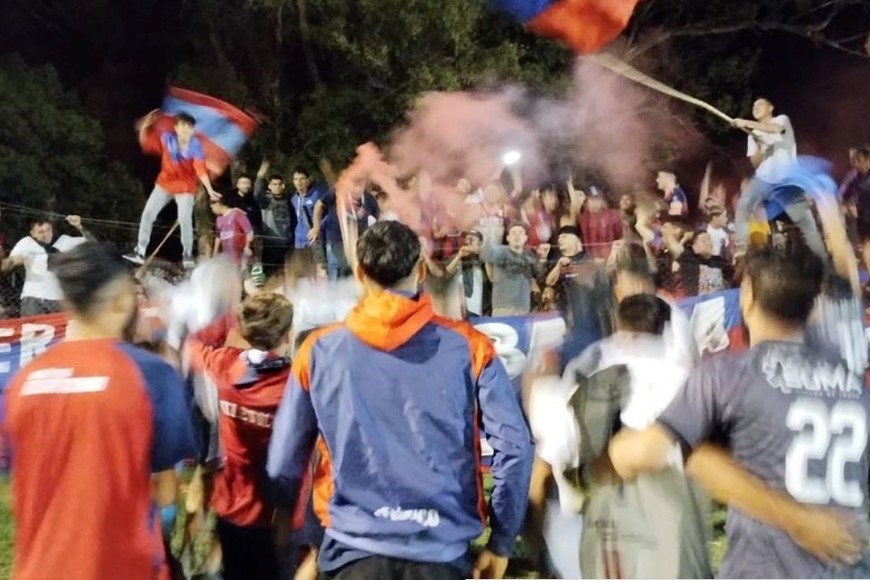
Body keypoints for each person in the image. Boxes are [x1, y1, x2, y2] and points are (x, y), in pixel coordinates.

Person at [267, 221, 533, 580]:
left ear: (360, 275)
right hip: (441, 551)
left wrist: (298, 528)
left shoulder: (318, 350)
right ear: (421, 270)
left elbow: (285, 460)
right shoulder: (470, 347)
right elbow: (514, 448)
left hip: (351, 550)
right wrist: (500, 542)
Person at [608, 246, 870, 578]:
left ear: (747, 295)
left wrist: (619, 446)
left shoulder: (729, 373)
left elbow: (642, 455)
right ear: (812, 305)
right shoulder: (853, 386)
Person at [1, 241, 197, 579]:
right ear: (122, 299)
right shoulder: (151, 375)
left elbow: (14, 490)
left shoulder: (22, 382)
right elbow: (164, 492)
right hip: (121, 566)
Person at [185, 292, 296, 580]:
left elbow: (193, 345)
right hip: (273, 513)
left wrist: (228, 317)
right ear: (288, 334)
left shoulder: (226, 365)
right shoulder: (293, 382)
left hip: (230, 503)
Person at [731, 98, 825, 259]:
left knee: (806, 223)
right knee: (744, 203)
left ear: (770, 108)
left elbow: (775, 129)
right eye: (753, 106)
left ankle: (823, 259)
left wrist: (746, 123)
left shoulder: (781, 119)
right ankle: (741, 247)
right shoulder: (751, 135)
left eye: (759, 105)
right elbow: (755, 163)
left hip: (786, 178)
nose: (755, 108)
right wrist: (759, 146)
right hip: (765, 179)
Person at [125, 111, 221, 268]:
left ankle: (187, 254)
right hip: (164, 184)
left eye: (189, 127)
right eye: (182, 126)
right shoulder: (167, 139)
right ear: (176, 128)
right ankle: (140, 251)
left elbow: (200, 169)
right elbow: (147, 145)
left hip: (184, 187)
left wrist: (209, 190)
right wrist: (144, 127)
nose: (185, 129)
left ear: (192, 130)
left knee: (184, 218)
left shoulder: (195, 146)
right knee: (148, 214)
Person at [1, 215, 91, 316]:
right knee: (31, 329)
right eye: (40, 232)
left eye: (48, 230)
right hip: (34, 299)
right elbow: (8, 264)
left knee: (62, 331)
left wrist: (80, 227)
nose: (46, 235)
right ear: (32, 233)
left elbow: (92, 244)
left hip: (60, 301)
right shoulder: (26, 243)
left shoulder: (65, 241)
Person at [481, 223, 548, 316]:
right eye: (513, 233)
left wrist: (543, 258)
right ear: (508, 238)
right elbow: (486, 256)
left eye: (520, 232)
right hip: (502, 307)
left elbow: (540, 276)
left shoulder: (529, 256)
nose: (517, 235)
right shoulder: (500, 251)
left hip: (523, 307)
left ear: (525, 238)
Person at [839, 146, 870, 273]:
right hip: (863, 220)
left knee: (867, 249)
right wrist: (846, 205)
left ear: (868, 160)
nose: (856, 164)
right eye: (854, 160)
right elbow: (844, 195)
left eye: (859, 160)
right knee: (865, 250)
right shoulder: (854, 179)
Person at [210, 196, 254, 267]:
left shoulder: (236, 214)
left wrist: (247, 246)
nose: (212, 210)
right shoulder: (219, 219)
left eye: (212, 207)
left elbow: (249, 231)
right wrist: (215, 253)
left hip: (240, 253)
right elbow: (218, 237)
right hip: (227, 256)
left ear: (218, 204)